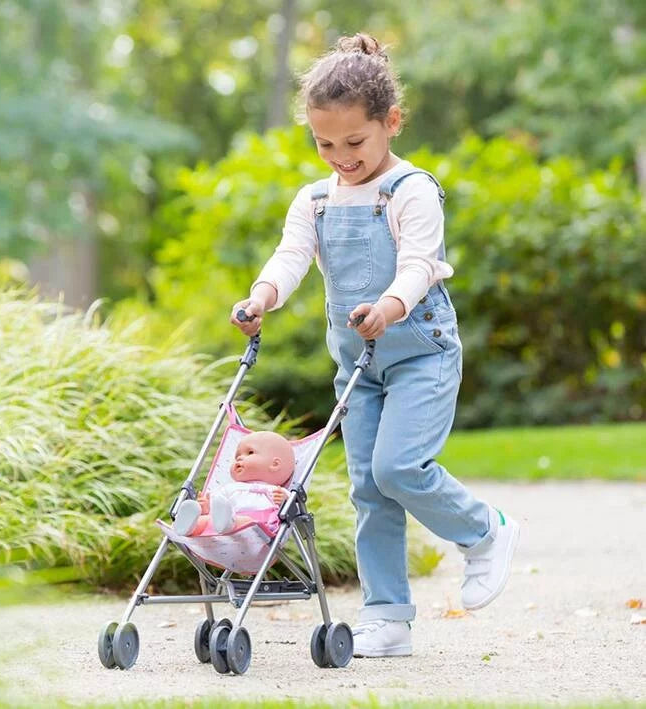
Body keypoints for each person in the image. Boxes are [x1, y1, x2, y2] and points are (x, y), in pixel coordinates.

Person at [229, 33, 520, 658]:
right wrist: (261, 297)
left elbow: (419, 265)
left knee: (398, 468)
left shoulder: (411, 190)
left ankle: (484, 531)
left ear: (391, 123)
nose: (340, 157)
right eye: (324, 143)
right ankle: (387, 616)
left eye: (354, 142)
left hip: (421, 353)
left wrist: (388, 307)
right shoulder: (313, 200)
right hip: (358, 370)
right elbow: (291, 257)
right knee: (368, 486)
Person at [173, 431, 295, 537]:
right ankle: (188, 527)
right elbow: (217, 504)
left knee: (247, 522)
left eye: (250, 452)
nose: (239, 458)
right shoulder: (231, 488)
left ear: (274, 465)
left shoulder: (276, 490)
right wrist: (206, 508)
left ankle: (229, 523)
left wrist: (284, 501)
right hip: (220, 524)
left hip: (256, 527)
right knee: (205, 520)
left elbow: (292, 509)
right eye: (237, 456)